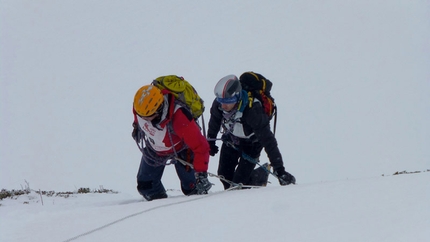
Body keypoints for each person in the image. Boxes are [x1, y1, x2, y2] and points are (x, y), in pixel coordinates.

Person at [207, 74, 296, 189]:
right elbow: (214, 121)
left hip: (252, 145)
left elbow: (268, 141)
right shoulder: (219, 105)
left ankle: (256, 180)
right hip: (231, 140)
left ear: (237, 97)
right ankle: (252, 180)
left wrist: (280, 170)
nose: (223, 105)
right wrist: (210, 140)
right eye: (221, 100)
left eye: (228, 100)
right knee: (224, 176)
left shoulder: (252, 110)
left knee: (239, 184)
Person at [131, 84, 212, 201]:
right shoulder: (140, 107)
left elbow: (201, 146)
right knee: (147, 186)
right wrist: (137, 127)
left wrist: (201, 174)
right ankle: (157, 207)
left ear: (159, 109)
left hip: (183, 150)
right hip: (154, 148)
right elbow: (137, 116)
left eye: (148, 117)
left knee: (193, 188)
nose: (145, 120)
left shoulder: (180, 118)